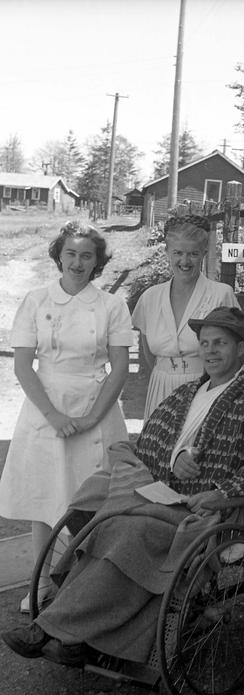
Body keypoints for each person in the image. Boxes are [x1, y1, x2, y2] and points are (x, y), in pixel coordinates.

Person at [2, 307, 244, 667]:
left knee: (126, 533)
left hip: (204, 506)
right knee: (98, 510)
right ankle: (84, 638)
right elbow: (149, 443)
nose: (210, 351)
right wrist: (173, 457)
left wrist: (221, 493)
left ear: (241, 349)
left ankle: (51, 626)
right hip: (163, 490)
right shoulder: (185, 395)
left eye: (221, 343)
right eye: (205, 343)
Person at [0, 220, 133, 613]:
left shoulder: (111, 305)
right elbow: (24, 366)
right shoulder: (36, 301)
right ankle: (40, 583)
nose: (78, 262)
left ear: (97, 263)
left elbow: (121, 368)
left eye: (86, 256)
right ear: (59, 256)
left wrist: (93, 417)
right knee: (44, 498)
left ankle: (84, 584)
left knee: (91, 500)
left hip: (98, 407)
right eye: (71, 253)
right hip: (45, 411)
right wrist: (54, 416)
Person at [132, 213, 239, 420]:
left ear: (204, 253)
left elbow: (234, 354)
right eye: (178, 253)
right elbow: (148, 354)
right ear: (167, 253)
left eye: (193, 254)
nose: (185, 261)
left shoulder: (221, 294)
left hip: (205, 387)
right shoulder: (150, 297)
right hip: (160, 388)